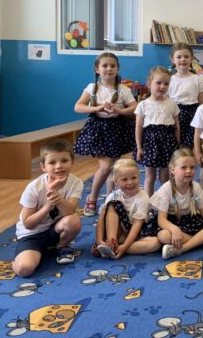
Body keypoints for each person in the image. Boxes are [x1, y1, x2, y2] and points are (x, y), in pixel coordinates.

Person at [74, 52, 137, 217]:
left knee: (114, 167)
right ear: (97, 69)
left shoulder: (123, 89)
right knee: (106, 166)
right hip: (98, 130)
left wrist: (120, 110)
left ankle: (110, 200)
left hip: (117, 129)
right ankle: (92, 197)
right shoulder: (92, 88)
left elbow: (134, 107)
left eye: (112, 66)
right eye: (105, 66)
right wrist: (97, 108)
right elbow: (78, 106)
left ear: (117, 69)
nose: (109, 69)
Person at [13, 140, 82, 277]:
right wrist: (48, 205)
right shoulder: (34, 187)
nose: (59, 166)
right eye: (52, 162)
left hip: (54, 231)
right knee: (25, 270)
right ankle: (21, 259)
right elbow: (28, 224)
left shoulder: (76, 183)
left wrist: (57, 195)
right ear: (43, 167)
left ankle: (61, 246)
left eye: (64, 161)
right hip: (32, 236)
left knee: (73, 221)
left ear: (72, 162)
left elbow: (69, 212)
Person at [151, 148, 203, 260]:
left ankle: (183, 248)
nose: (188, 171)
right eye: (183, 167)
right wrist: (174, 229)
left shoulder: (195, 186)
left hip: (191, 220)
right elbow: (162, 220)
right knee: (164, 236)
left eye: (192, 167)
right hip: (171, 222)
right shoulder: (166, 189)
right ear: (172, 169)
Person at [92, 159, 160, 259]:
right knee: (113, 204)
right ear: (116, 181)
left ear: (139, 177)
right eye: (124, 179)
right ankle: (111, 243)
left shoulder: (143, 197)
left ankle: (115, 249)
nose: (130, 182)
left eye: (134, 178)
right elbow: (101, 219)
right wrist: (99, 241)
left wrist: (125, 247)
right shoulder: (113, 196)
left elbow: (137, 224)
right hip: (116, 232)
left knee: (156, 243)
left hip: (134, 233)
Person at [135, 66, 181, 196]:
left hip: (168, 144)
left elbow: (177, 126)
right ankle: (148, 202)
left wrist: (177, 146)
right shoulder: (143, 105)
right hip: (150, 144)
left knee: (165, 177)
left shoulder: (172, 104)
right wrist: (139, 147)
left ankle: (165, 201)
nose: (162, 86)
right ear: (149, 84)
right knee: (150, 177)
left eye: (166, 84)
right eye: (158, 83)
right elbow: (138, 128)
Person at [168, 42, 203, 149]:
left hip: (193, 114)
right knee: (175, 144)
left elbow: (202, 103)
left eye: (186, 56)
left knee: (189, 146)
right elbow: (166, 101)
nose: (183, 59)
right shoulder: (169, 80)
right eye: (179, 57)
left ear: (192, 58)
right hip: (175, 114)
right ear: (172, 59)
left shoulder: (198, 79)